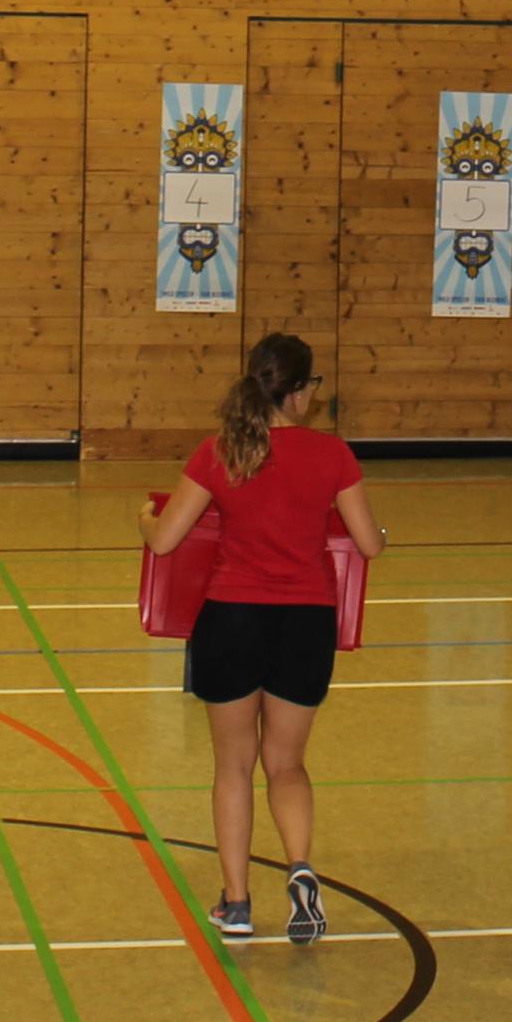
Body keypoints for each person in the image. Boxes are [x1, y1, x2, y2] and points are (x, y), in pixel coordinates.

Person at [142, 332, 384, 944]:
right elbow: (369, 544)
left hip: (232, 620)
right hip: (305, 624)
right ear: (299, 392)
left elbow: (165, 539)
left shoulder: (222, 449)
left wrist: (143, 519)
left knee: (234, 766)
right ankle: (299, 867)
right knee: (287, 764)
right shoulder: (333, 455)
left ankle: (237, 902)